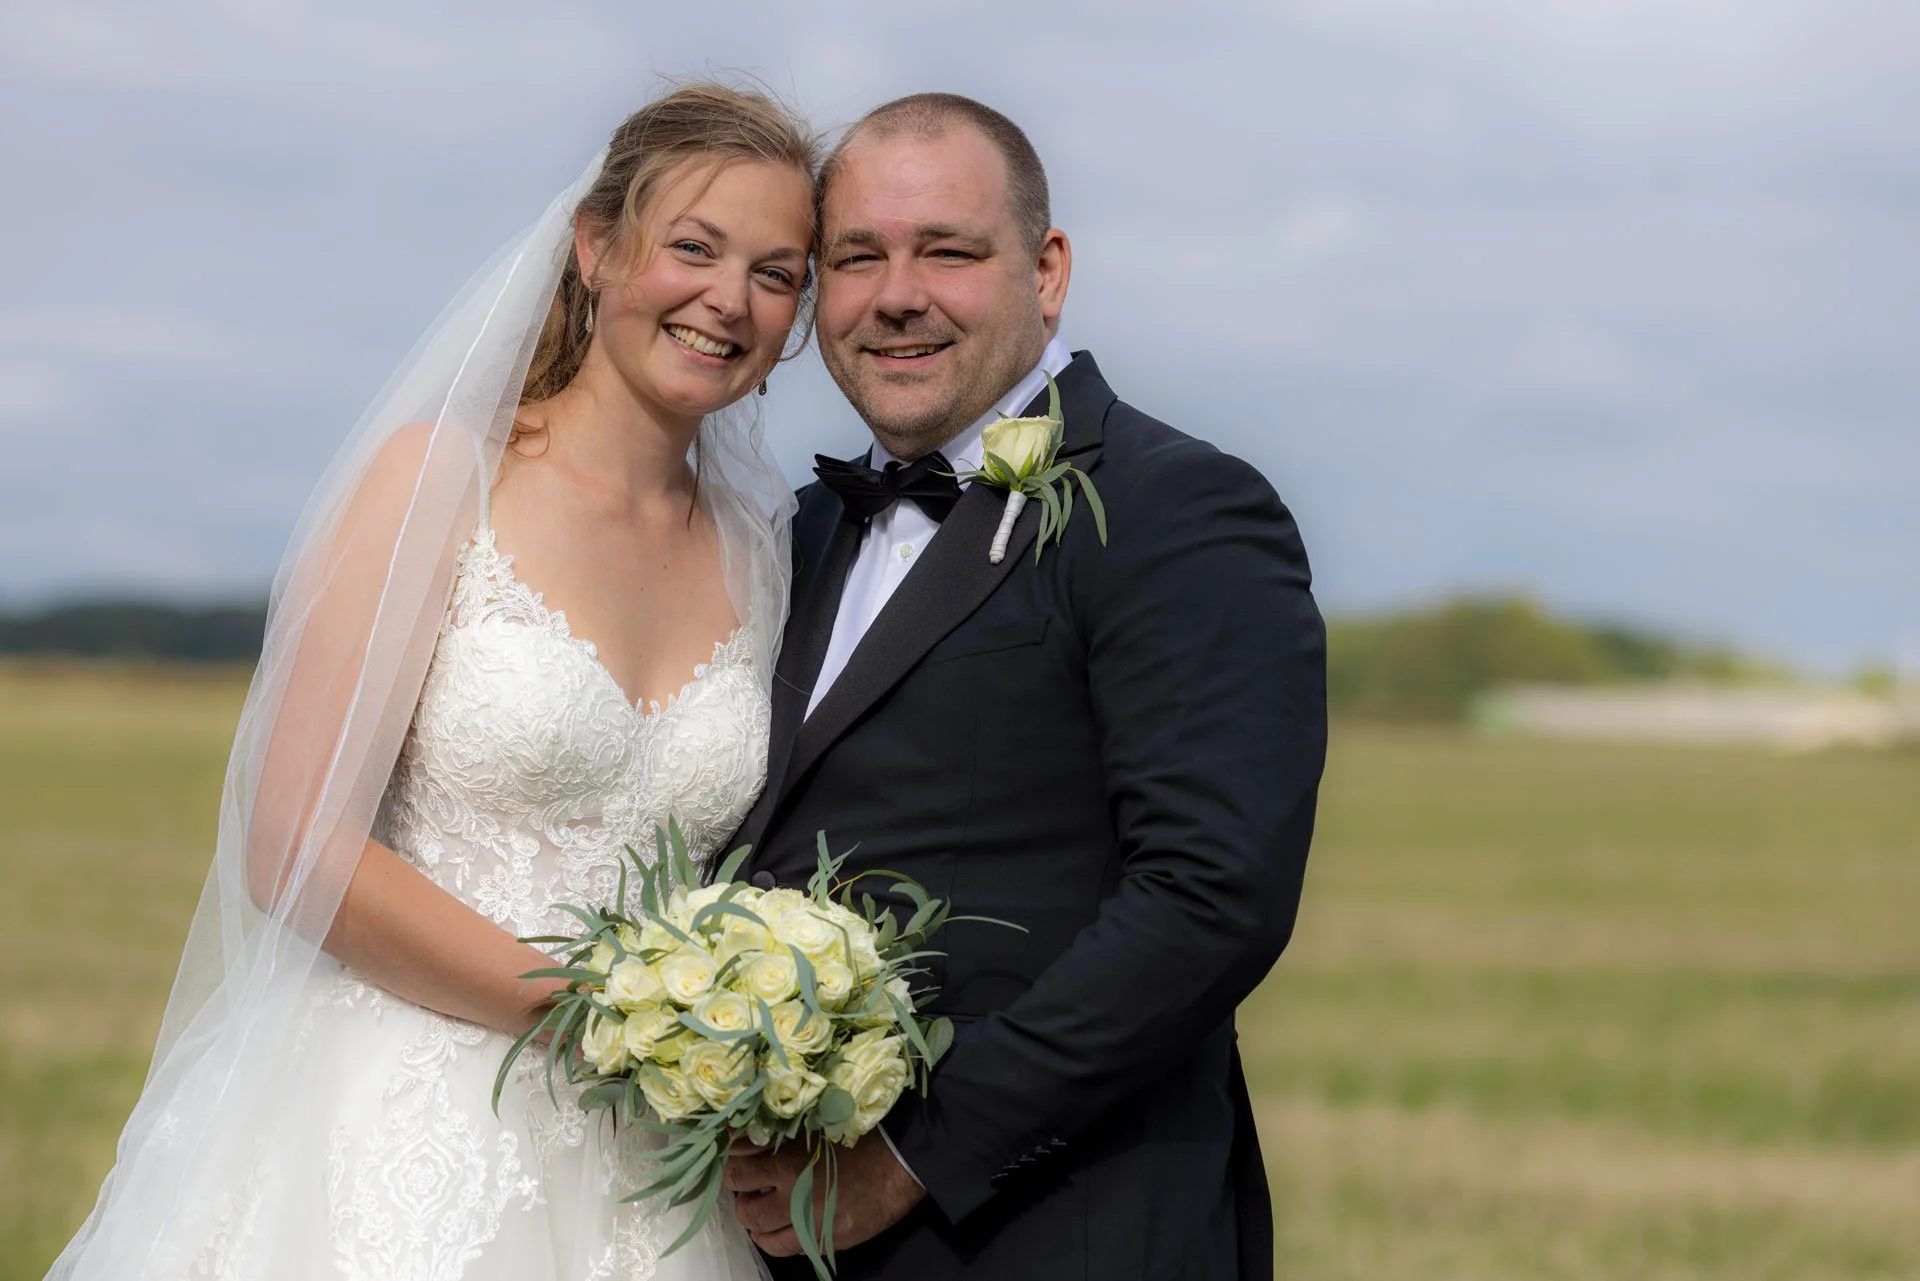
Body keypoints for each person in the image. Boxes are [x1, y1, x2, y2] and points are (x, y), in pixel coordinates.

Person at [50, 82, 815, 1280]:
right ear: (596, 248)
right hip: (399, 1124)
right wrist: (607, 1012)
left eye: (777, 274)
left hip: (660, 1166)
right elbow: (297, 847)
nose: (731, 299)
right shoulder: (438, 482)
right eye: (695, 248)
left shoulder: (763, 551)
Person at [722, 94, 1328, 1281]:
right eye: (858, 257)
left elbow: (1212, 897)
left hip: (1057, 1228)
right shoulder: (788, 533)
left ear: (1046, 272)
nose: (898, 294)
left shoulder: (1178, 510)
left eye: (948, 250)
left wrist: (911, 1157)